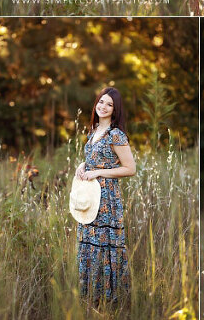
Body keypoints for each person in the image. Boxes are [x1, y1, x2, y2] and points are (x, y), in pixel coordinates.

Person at [75, 87, 136, 307]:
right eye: (101, 102)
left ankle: (111, 301)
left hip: (107, 200)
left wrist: (99, 172)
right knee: (89, 244)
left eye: (109, 104)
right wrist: (82, 167)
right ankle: (91, 298)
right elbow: (92, 160)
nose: (103, 106)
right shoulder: (93, 132)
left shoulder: (115, 134)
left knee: (105, 246)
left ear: (115, 109)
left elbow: (130, 168)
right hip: (90, 197)